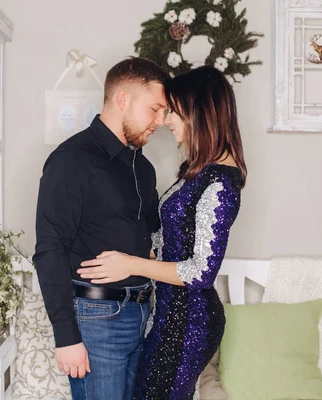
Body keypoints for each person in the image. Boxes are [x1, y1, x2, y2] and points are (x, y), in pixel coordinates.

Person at [78, 66, 247, 400]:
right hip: (172, 316)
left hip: (189, 323)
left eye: (175, 112)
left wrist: (131, 264)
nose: (166, 120)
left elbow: (200, 271)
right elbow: (172, 241)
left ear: (200, 114)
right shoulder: (201, 172)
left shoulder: (220, 182)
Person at [33, 57, 169, 400]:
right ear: (123, 99)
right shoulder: (72, 159)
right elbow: (50, 248)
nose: (161, 121)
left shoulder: (144, 168)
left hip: (141, 313)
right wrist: (66, 337)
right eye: (155, 109)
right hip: (96, 319)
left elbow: (151, 237)